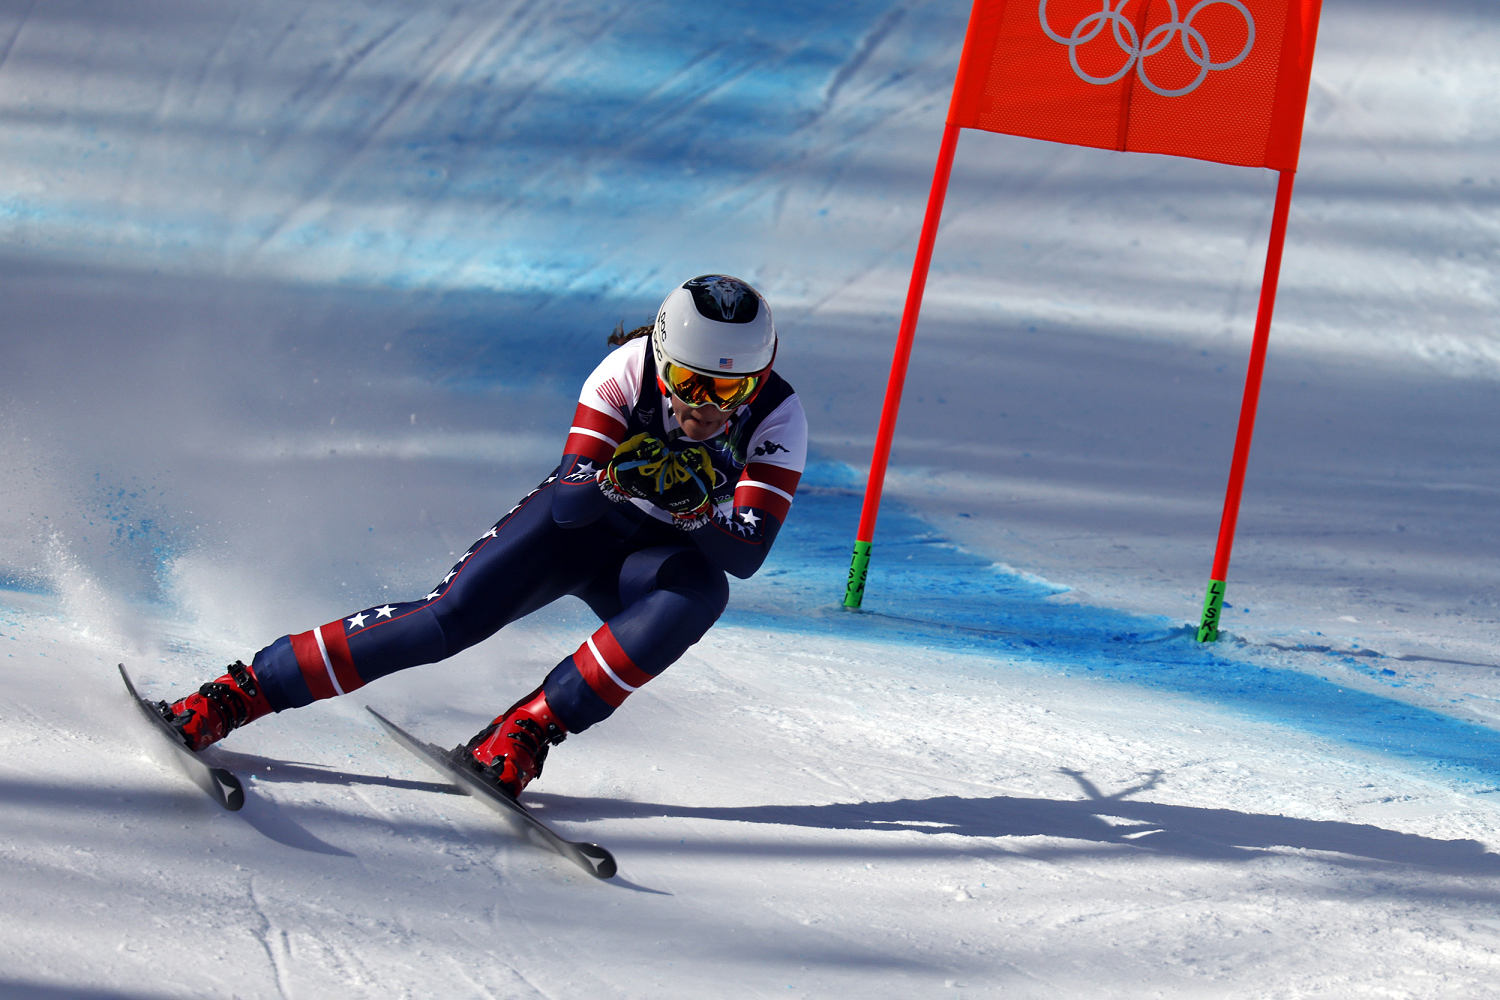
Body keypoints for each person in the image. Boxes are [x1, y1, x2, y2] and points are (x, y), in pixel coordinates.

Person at [156, 274, 807, 799]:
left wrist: (694, 517)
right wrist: (618, 479)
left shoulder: (778, 416)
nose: (706, 407)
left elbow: (745, 553)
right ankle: (240, 690)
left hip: (655, 562)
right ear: (661, 359)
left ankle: (525, 730)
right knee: (443, 623)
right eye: (690, 383)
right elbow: (573, 507)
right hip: (573, 532)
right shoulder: (624, 374)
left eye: (729, 389)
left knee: (703, 592)